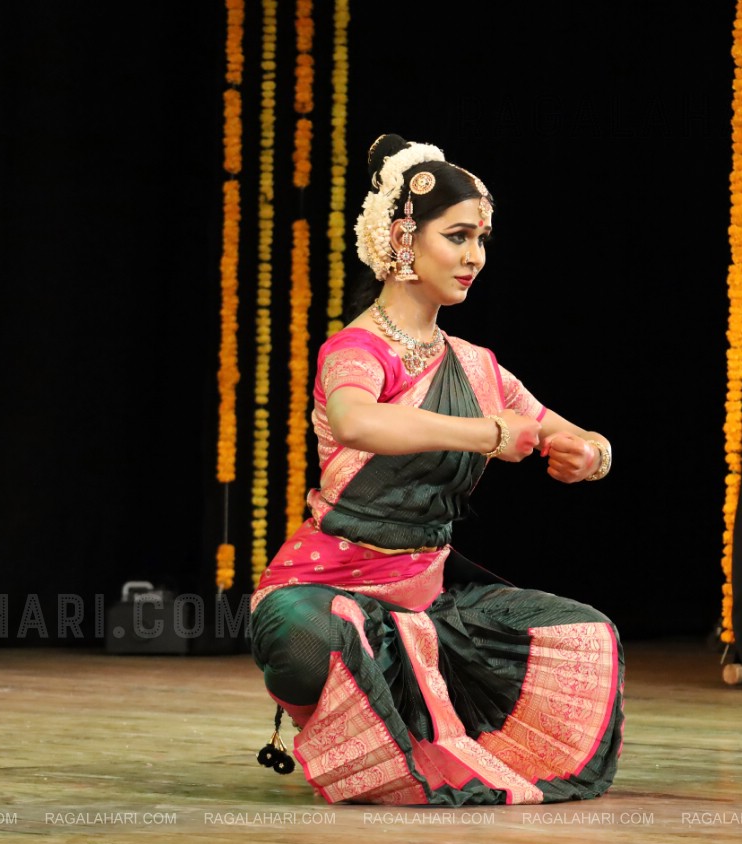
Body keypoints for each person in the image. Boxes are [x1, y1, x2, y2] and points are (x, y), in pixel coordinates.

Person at [250, 134, 624, 806]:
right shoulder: (355, 350)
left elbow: (558, 428)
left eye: (481, 238)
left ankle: (426, 730)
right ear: (403, 238)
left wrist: (590, 454)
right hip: (326, 587)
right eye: (457, 236)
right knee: (309, 633)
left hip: (426, 597)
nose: (474, 256)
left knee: (581, 631)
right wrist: (485, 433)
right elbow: (361, 421)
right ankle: (373, 739)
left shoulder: (475, 365)